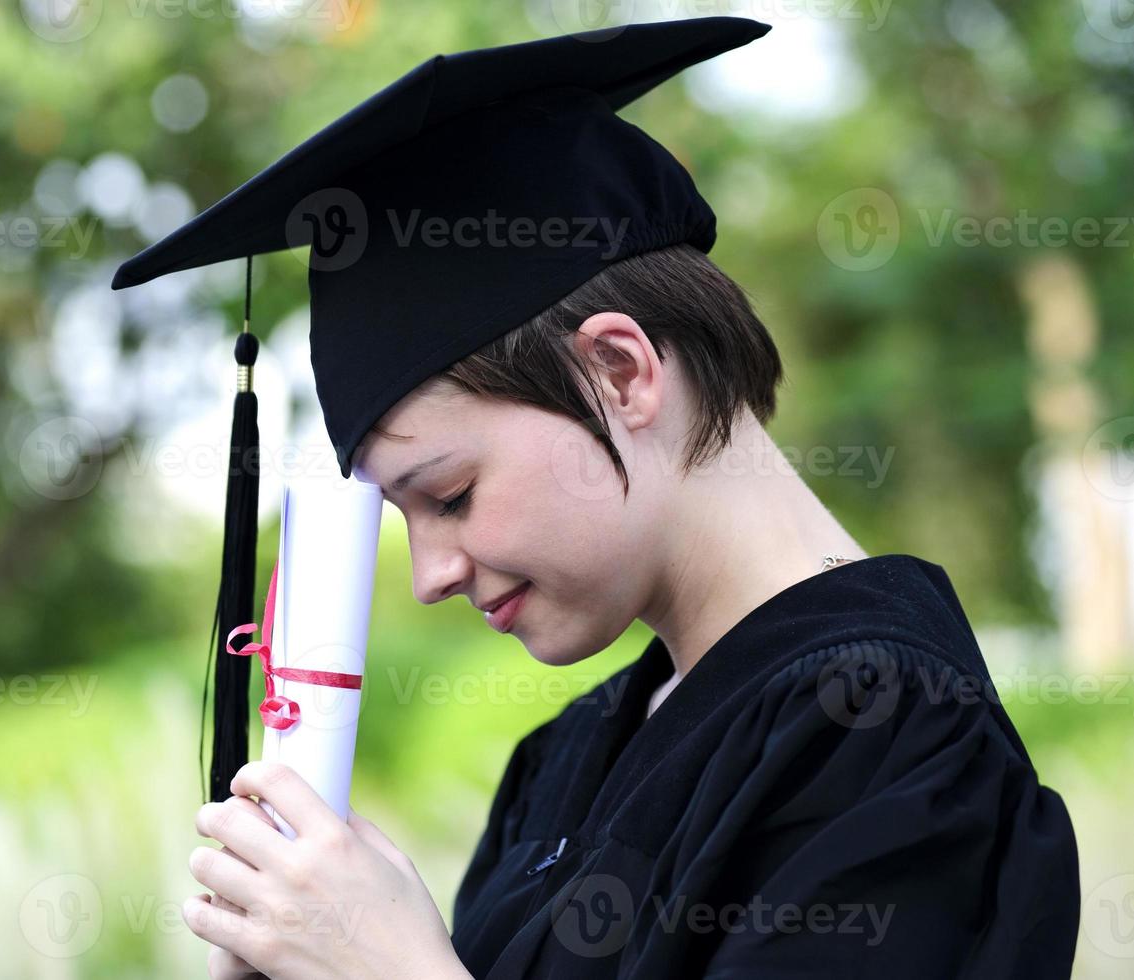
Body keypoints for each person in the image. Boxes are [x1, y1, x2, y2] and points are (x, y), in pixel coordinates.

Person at [112, 17, 1081, 979]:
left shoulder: (882, 732)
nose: (429, 575)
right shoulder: (569, 755)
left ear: (620, 371)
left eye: (447, 493)